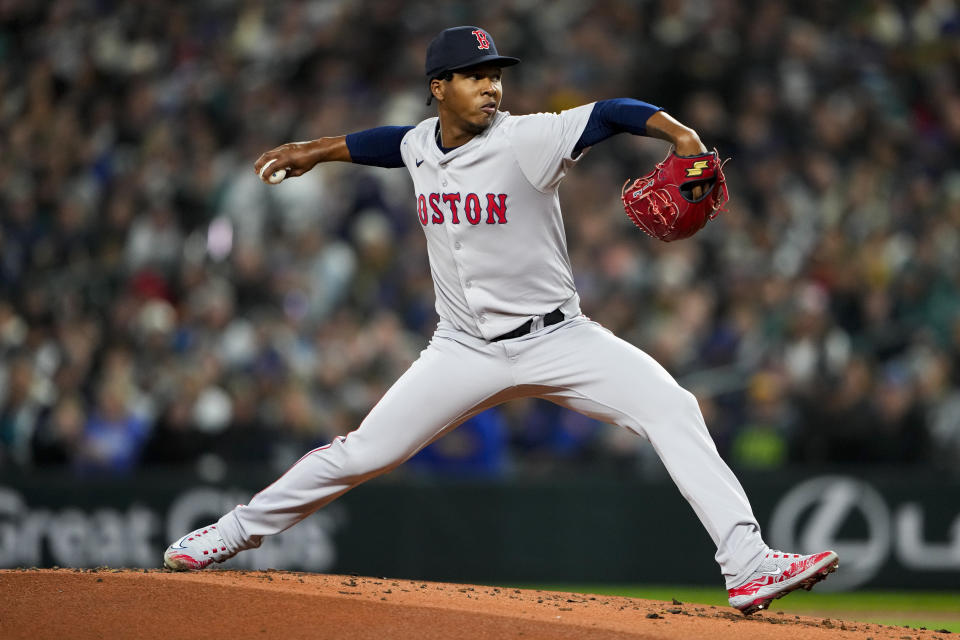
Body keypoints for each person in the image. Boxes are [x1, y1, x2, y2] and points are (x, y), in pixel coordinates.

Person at [163, 26, 838, 615]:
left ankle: (747, 565)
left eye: (496, 76)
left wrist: (681, 135)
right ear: (438, 87)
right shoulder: (422, 145)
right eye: (476, 77)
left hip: (560, 338)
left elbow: (613, 112)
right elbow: (388, 143)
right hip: (461, 350)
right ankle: (230, 532)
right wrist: (318, 148)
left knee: (673, 406)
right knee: (365, 452)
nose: (492, 87)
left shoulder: (529, 139)